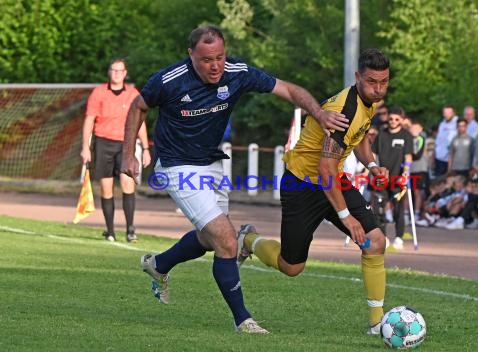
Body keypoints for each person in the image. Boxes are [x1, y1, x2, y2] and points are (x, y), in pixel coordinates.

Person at [120, 26, 349, 334]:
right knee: (227, 241)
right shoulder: (168, 80)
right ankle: (244, 320)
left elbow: (289, 90)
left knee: (210, 239)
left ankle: (159, 265)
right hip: (177, 166)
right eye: (206, 60)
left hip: (212, 163)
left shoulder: (237, 72)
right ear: (191, 56)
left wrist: (319, 114)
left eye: (220, 57)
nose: (215, 66)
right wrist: (128, 154)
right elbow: (138, 107)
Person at [234, 48, 390, 335]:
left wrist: (372, 165)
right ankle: (248, 240)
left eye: (384, 82)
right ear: (357, 78)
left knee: (375, 242)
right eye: (372, 82)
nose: (378, 89)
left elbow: (361, 136)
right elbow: (325, 169)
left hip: (332, 179)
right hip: (303, 184)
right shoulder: (343, 111)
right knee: (291, 267)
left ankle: (377, 323)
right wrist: (346, 216)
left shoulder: (371, 101)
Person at [80, 58, 151, 242]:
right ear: (109, 72)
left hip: (126, 144)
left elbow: (140, 122)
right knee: (106, 188)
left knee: (128, 184)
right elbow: (89, 120)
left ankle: (130, 230)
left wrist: (145, 148)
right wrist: (85, 147)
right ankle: (110, 231)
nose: (117, 73)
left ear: (125, 73)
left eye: (120, 71)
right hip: (103, 143)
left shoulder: (133, 94)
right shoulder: (99, 93)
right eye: (114, 70)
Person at [371, 106, 413, 250]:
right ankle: (383, 238)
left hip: (397, 179)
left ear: (401, 120)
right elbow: (373, 155)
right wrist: (368, 170)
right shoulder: (381, 134)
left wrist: (405, 174)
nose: (393, 121)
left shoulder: (406, 135)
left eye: (396, 119)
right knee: (379, 208)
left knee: (398, 209)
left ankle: (399, 237)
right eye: (391, 119)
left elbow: (408, 157)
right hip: (381, 178)